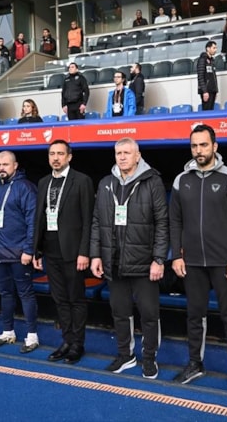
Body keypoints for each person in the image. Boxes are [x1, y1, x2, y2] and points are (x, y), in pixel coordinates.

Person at [169, 125, 227, 393]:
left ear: (215, 146)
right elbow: (175, 221)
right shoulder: (181, 180)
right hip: (192, 263)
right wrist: (176, 255)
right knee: (194, 315)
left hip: (224, 263)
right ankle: (195, 364)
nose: (199, 150)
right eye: (194, 146)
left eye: (203, 145)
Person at [90, 138, 167, 379]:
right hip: (114, 261)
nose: (122, 157)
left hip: (144, 263)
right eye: (118, 153)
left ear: (137, 155)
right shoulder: (106, 183)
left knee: (149, 315)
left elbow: (162, 223)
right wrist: (95, 255)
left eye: (126, 152)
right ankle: (126, 355)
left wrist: (159, 259)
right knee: (120, 313)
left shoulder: (152, 182)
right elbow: (97, 222)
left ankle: (150, 358)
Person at [32, 140, 94, 364]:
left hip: (73, 252)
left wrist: (84, 252)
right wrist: (37, 250)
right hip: (50, 251)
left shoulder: (82, 181)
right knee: (60, 299)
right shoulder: (43, 182)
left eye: (60, 154)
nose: (56, 158)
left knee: (76, 299)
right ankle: (67, 340)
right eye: (52, 154)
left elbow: (88, 220)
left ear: (69, 157)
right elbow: (39, 219)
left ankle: (78, 344)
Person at [0, 151, 39, 353]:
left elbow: (33, 221)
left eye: (5, 164)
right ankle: (8, 331)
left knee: (25, 293)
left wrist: (29, 249)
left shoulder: (25, 188)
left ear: (15, 165)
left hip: (19, 252)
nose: (1, 168)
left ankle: (32, 335)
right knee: (5, 293)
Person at [196, 41, 219, 111]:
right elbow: (200, 77)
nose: (215, 50)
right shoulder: (202, 60)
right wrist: (204, 91)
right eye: (214, 48)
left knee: (211, 111)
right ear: (208, 49)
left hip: (212, 90)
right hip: (206, 91)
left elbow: (213, 77)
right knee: (206, 111)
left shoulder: (212, 60)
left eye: (216, 48)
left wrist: (215, 90)